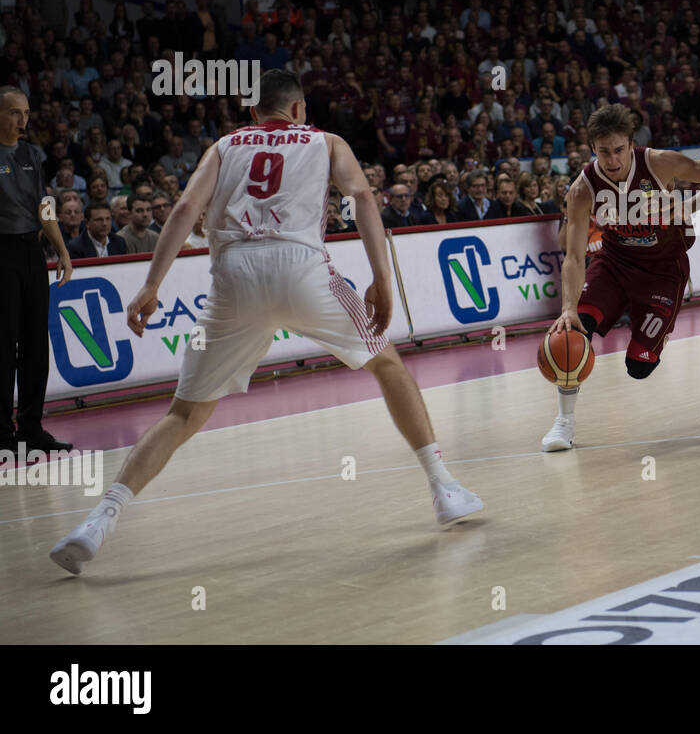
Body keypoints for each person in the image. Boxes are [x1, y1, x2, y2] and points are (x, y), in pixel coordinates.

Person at [49, 70, 482, 575]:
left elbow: (187, 206)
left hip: (233, 275)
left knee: (183, 414)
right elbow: (363, 198)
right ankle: (444, 488)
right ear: (298, 109)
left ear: (254, 112)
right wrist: (382, 278)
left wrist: (151, 284)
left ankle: (98, 521)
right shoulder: (325, 140)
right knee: (388, 364)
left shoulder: (225, 144)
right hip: (301, 270)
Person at [541, 104, 700, 452]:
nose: (612, 159)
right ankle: (563, 422)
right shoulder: (583, 189)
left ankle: (656, 336)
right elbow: (575, 255)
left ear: (631, 143)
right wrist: (567, 307)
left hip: (663, 270)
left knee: (639, 366)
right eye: (604, 151)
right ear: (593, 148)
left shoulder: (659, 162)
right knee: (573, 331)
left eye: (619, 150)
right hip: (614, 263)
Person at [0, 87, 74, 453]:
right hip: (2, 255)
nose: (22, 120)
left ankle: (31, 428)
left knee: (34, 345)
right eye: (14, 112)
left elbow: (45, 205)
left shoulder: (31, 153)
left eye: (26, 113)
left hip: (32, 253)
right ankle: (1, 434)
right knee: (3, 346)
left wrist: (60, 250)